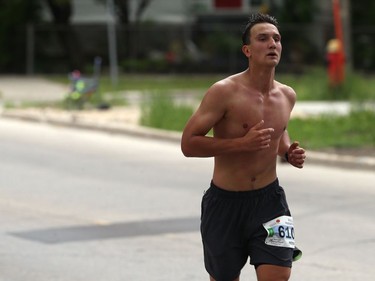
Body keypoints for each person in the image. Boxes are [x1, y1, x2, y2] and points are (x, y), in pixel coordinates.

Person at [181, 13, 306, 281]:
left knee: (279, 275)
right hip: (225, 204)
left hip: (270, 202)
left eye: (277, 38)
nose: (272, 43)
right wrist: (241, 144)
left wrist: (286, 151)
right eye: (263, 38)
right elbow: (188, 144)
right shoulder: (224, 92)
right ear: (247, 50)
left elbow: (279, 131)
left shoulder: (287, 95)